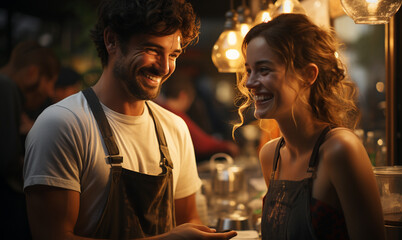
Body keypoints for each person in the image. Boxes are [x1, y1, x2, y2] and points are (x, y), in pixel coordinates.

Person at [23, 0, 237, 239]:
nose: (165, 67)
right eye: (153, 50)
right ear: (111, 40)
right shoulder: (62, 125)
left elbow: (190, 221)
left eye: (174, 54)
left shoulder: (174, 128)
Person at [234, 14, 385, 240]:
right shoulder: (270, 155)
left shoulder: (340, 149)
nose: (249, 83)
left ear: (307, 75)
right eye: (249, 70)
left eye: (264, 70)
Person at [0, 40, 60, 239]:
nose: (50, 92)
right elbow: (8, 159)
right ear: (32, 73)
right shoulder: (6, 87)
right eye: (50, 81)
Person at [159, 72, 239, 162]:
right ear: (183, 96)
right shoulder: (174, 114)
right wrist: (226, 146)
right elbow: (201, 144)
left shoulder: (159, 109)